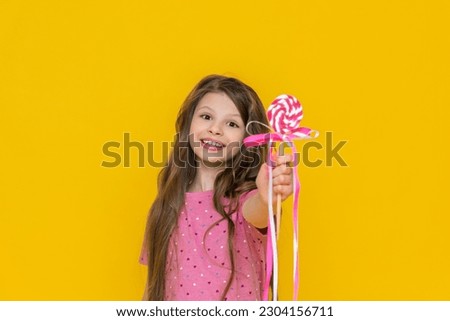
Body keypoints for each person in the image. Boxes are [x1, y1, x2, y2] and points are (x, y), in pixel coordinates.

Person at [140, 74, 293, 301]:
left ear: (248, 139)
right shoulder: (167, 203)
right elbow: (154, 287)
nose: (215, 129)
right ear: (188, 123)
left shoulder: (245, 200)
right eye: (206, 116)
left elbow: (258, 213)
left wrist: (267, 198)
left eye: (231, 123)